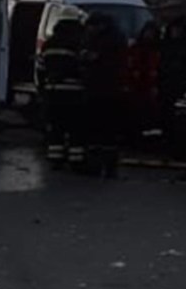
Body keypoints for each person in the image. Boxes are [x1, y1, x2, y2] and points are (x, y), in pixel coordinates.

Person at [80, 13, 127, 178]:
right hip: (113, 92)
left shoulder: (101, 41)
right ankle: (110, 167)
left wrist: (87, 58)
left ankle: (95, 166)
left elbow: (92, 60)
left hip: (98, 91)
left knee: (96, 132)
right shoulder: (119, 39)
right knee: (109, 134)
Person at [37, 11, 86, 168]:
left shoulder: (49, 43)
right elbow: (83, 68)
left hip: (52, 93)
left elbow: (41, 68)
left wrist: (43, 87)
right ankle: (76, 160)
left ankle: (55, 158)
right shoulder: (78, 43)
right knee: (75, 128)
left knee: (55, 127)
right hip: (74, 93)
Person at [158, 15, 186, 152]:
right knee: (167, 116)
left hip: (180, 85)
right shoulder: (166, 44)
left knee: (181, 119)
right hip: (167, 85)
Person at [126, 21, 161, 140]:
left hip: (150, 86)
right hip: (136, 86)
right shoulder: (135, 48)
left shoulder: (158, 49)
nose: (149, 35)